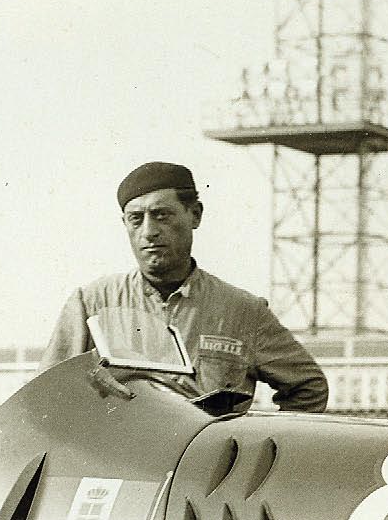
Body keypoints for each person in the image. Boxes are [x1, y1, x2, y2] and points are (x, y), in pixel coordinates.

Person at [40, 161, 328, 412]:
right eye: (136, 219)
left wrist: (257, 447)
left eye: (162, 215)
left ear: (195, 215)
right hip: (121, 467)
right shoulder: (92, 304)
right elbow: (45, 396)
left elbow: (309, 388)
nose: (149, 232)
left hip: (206, 470)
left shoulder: (243, 312)